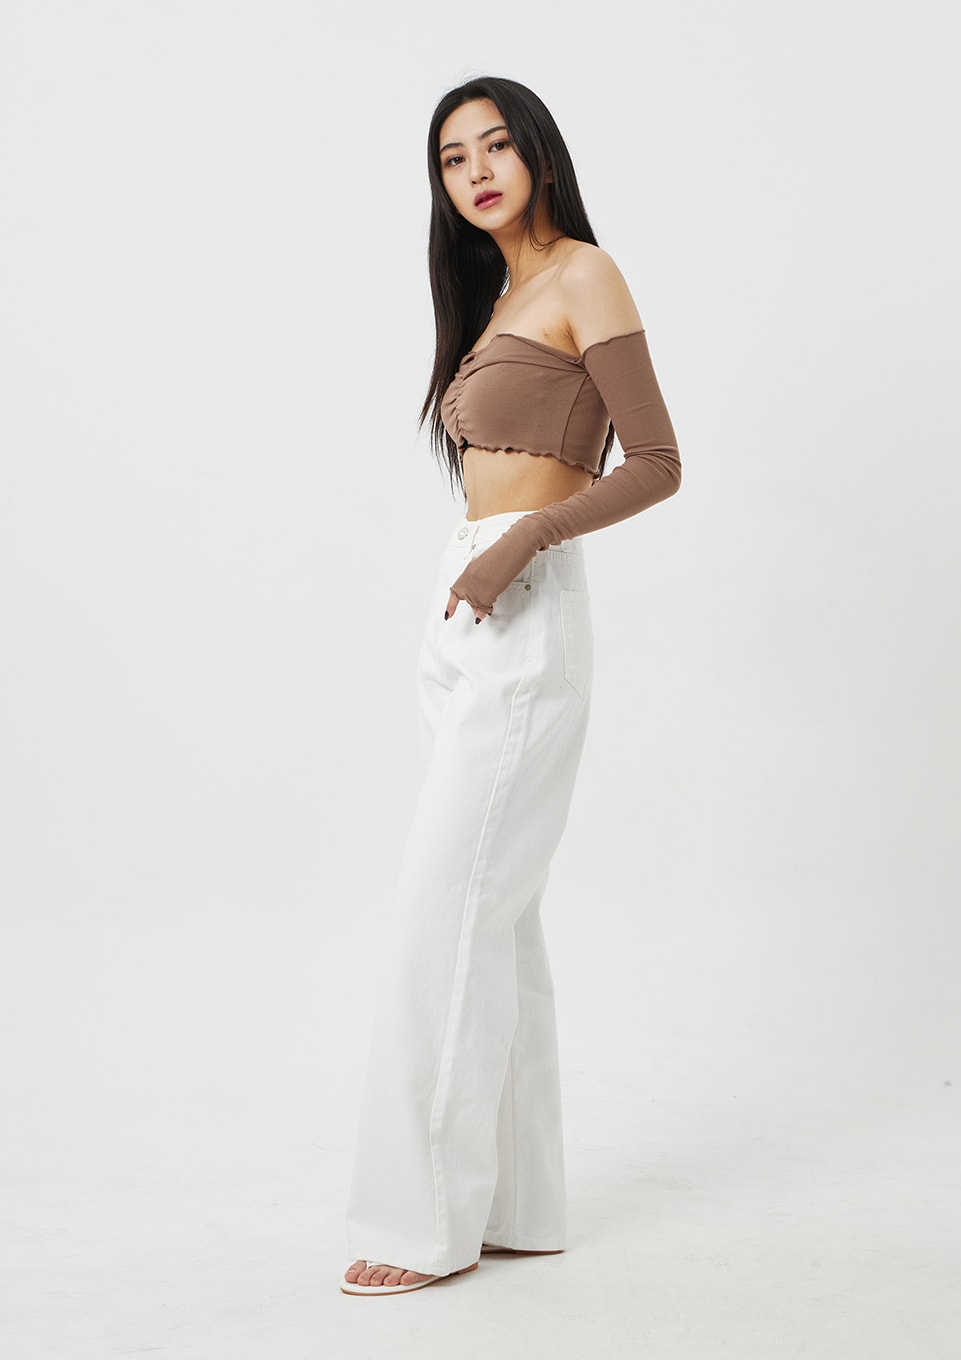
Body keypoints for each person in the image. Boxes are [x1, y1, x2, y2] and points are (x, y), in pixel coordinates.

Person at [340, 75, 681, 1296]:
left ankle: (417, 1226)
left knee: (442, 913)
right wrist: (480, 559)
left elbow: (657, 461)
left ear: (538, 153)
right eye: (452, 158)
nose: (476, 171)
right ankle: (520, 1205)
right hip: (466, 603)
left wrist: (525, 540)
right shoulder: (493, 296)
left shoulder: (585, 273)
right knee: (497, 912)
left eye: (495, 146)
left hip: (523, 601)